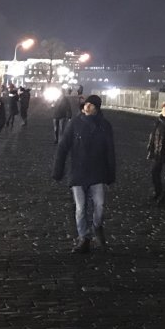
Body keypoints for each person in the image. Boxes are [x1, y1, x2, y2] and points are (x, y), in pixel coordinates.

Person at [52, 94, 116, 254]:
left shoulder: (104, 125)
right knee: (80, 208)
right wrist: (58, 170)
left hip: (98, 171)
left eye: (91, 105)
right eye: (86, 104)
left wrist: (110, 173)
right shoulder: (75, 123)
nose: (87, 107)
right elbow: (63, 146)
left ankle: (97, 226)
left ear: (97, 108)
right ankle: (83, 237)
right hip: (78, 171)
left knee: (99, 206)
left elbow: (110, 151)